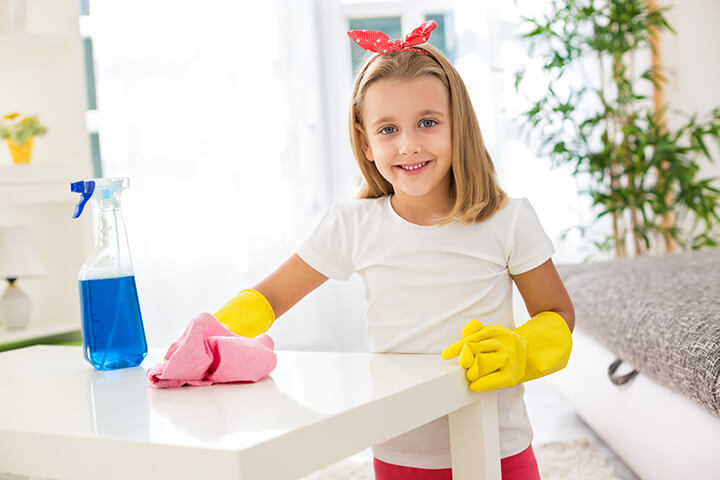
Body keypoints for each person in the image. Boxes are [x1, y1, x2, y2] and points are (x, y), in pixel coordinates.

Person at [214, 20, 574, 480]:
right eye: (387, 129)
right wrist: (210, 335)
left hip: (497, 447)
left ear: (458, 126)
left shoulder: (508, 219)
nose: (409, 145)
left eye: (428, 122)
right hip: (399, 454)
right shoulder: (352, 225)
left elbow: (558, 314)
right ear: (365, 141)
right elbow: (269, 298)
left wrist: (522, 349)